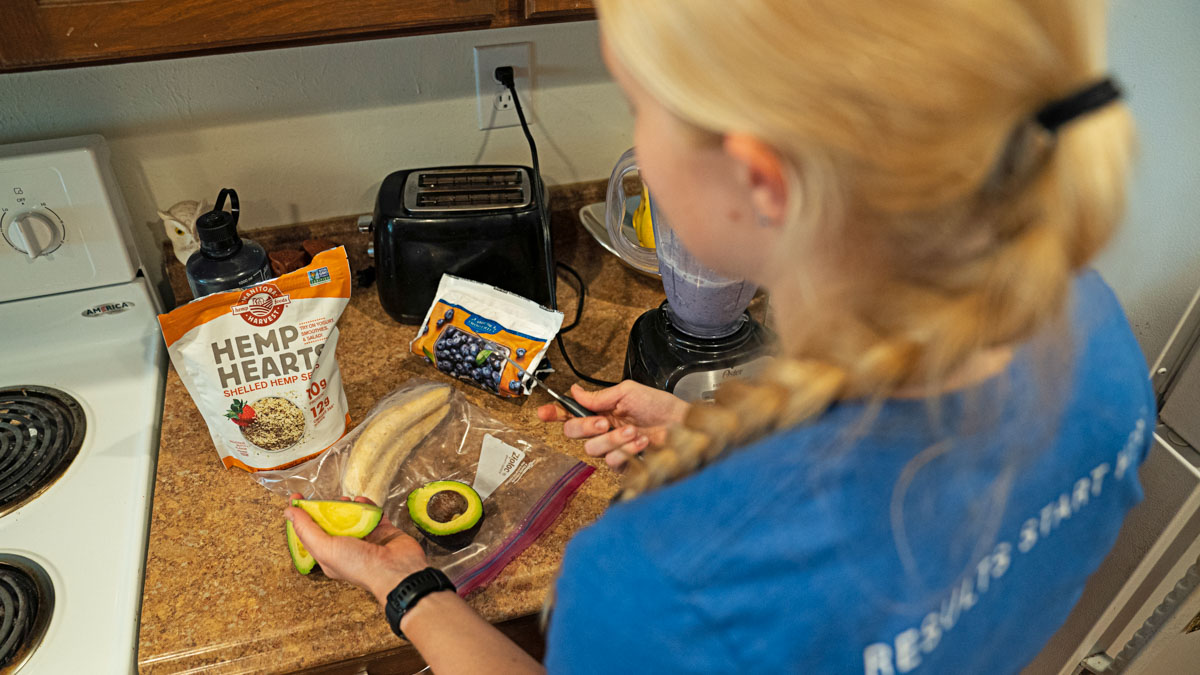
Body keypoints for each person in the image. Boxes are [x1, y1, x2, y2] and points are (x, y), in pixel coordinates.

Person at [284, 1, 1152, 672]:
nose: (634, 143)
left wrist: (405, 585)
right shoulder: (1100, 338)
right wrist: (718, 437)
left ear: (760, 180)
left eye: (639, 107)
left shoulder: (660, 581)